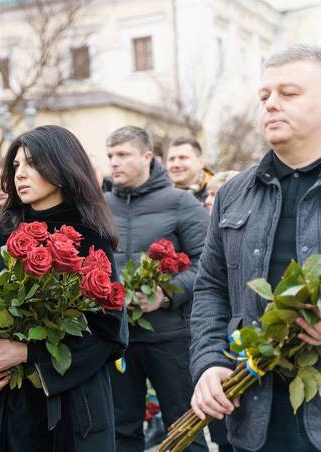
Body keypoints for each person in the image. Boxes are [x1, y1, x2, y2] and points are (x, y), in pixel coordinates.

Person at [0, 125, 127, 451]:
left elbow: (111, 334)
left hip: (72, 410)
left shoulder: (88, 237)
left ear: (62, 169)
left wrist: (29, 352)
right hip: (11, 406)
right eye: (16, 165)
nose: (20, 174)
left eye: (32, 164)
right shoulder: (8, 232)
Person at [190, 44, 321, 452]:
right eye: (264, 96)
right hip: (253, 413)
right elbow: (210, 286)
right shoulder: (234, 192)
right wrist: (209, 362)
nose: (271, 105)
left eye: (289, 93)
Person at [103, 126, 209, 452]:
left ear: (147, 156)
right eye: (110, 156)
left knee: (184, 428)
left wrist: (166, 293)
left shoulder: (181, 203)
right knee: (120, 432)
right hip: (117, 337)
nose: (114, 163)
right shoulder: (100, 205)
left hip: (170, 337)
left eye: (123, 155)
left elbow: (206, 262)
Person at [166, 137, 214, 203]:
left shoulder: (220, 193)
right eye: (171, 159)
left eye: (182, 158)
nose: (176, 164)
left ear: (201, 162)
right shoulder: (156, 195)